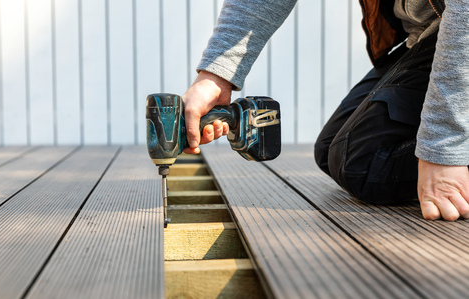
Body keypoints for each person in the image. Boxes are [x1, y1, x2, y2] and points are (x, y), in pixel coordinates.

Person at [181, 0, 469, 221]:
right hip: (431, 36)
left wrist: (444, 149)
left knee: (367, 164)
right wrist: (215, 77)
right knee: (332, 150)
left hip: (460, 31)